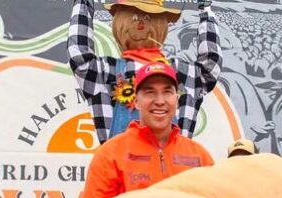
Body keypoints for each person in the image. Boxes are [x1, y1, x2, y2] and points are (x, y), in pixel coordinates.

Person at [67, 0, 222, 144]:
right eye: (133, 17)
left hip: (174, 172)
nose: (141, 24)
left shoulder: (182, 73)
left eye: (149, 18)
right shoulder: (106, 72)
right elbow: (79, 55)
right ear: (119, 24)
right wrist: (83, 3)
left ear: (162, 25)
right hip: (119, 170)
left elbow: (210, 65)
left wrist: (205, 10)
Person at [80, 62, 214, 198]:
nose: (159, 101)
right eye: (150, 92)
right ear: (136, 101)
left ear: (177, 100)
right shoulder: (109, 155)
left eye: (167, 92)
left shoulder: (200, 157)